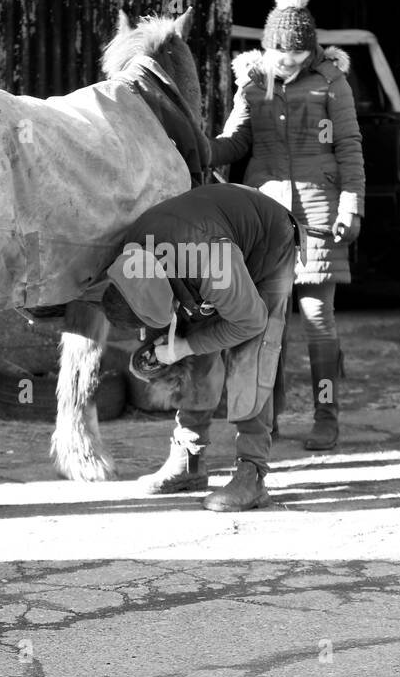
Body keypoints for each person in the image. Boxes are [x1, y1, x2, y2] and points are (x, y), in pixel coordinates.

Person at [211, 0, 365, 451]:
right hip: (266, 216)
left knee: (318, 319)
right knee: (265, 320)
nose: (289, 62)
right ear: (267, 44)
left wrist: (351, 205)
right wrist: (197, 148)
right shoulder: (254, 82)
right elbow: (236, 142)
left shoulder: (330, 81)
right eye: (282, 52)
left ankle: (326, 416)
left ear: (310, 48)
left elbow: (348, 146)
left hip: (319, 213)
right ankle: (267, 419)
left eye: (299, 54)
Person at [95, 182, 298, 512]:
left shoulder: (211, 262)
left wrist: (184, 346)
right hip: (205, 252)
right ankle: (189, 466)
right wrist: (165, 345)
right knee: (197, 349)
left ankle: (252, 474)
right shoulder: (134, 249)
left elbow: (250, 321)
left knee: (251, 352)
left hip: (269, 249)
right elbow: (151, 302)